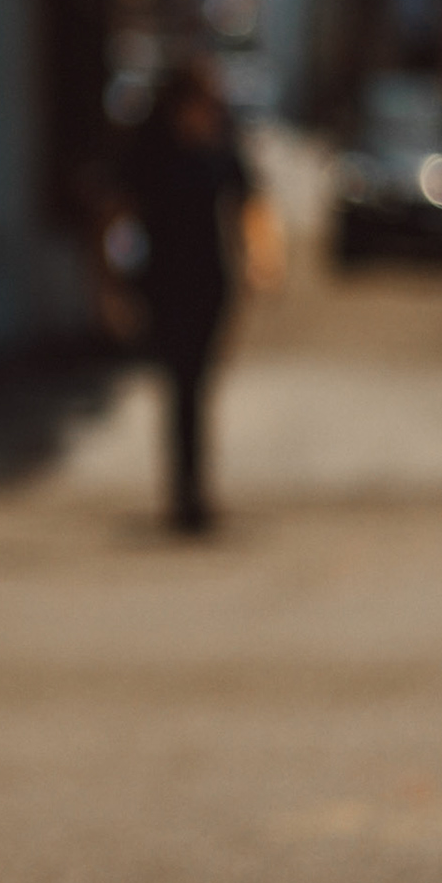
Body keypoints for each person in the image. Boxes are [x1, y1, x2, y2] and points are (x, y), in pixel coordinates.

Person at [118, 57, 281, 534]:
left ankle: (193, 491)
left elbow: (249, 202)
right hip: (162, 280)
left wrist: (261, 256)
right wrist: (111, 279)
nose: (209, 109)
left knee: (197, 384)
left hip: (211, 279)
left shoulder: (220, 148)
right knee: (180, 384)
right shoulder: (151, 152)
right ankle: (185, 495)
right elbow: (119, 212)